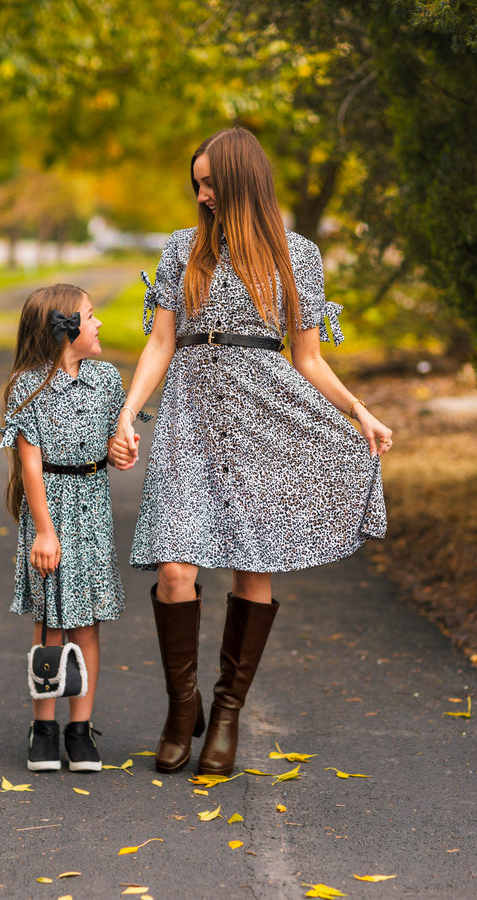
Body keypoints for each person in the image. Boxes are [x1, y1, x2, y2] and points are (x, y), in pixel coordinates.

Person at [113, 127, 392, 777]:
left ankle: (228, 711)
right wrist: (128, 410)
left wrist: (359, 411)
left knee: (251, 565)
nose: (202, 194)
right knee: (176, 567)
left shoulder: (298, 256)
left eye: (211, 182)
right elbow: (159, 343)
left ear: (243, 180)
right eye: (197, 184)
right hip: (188, 416)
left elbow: (309, 358)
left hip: (266, 415)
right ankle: (182, 708)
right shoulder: (182, 249)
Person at [0, 284, 143, 772]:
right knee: (49, 622)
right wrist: (44, 530)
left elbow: (113, 446)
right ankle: (44, 728)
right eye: (91, 315)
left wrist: (120, 451)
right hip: (50, 511)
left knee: (87, 622)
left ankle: (79, 730)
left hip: (93, 509)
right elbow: (31, 466)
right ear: (64, 329)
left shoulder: (105, 379)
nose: (99, 323)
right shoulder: (27, 386)